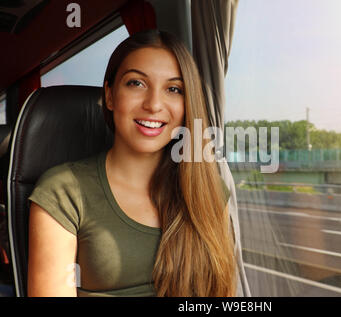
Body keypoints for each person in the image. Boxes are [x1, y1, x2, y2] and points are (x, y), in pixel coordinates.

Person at [27, 29, 237, 297]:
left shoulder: (210, 190)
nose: (154, 104)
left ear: (187, 106)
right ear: (110, 95)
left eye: (174, 89)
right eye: (136, 83)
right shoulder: (63, 191)